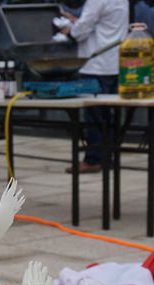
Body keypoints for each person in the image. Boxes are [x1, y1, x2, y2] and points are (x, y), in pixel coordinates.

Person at [60, 0, 129, 174]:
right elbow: (102, 24)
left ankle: (93, 160)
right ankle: (109, 157)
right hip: (115, 63)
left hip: (96, 64)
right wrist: (76, 20)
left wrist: (69, 30)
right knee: (110, 115)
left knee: (94, 116)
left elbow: (81, 31)